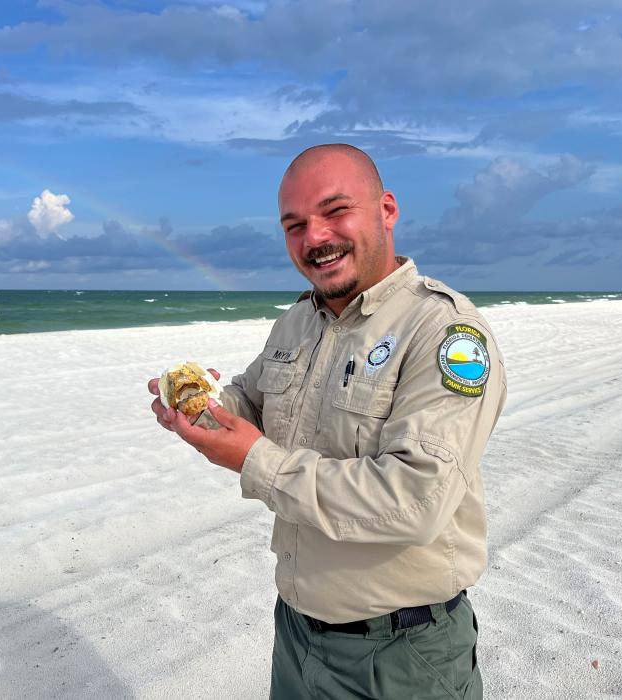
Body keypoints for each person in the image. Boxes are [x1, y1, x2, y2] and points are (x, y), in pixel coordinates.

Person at [148, 144, 507, 699]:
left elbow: (417, 500)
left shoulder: (445, 333)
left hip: (402, 655)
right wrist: (199, 405)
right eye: (294, 224)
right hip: (296, 635)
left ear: (386, 210)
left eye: (335, 212)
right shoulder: (297, 321)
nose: (314, 238)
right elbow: (250, 400)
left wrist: (253, 459)